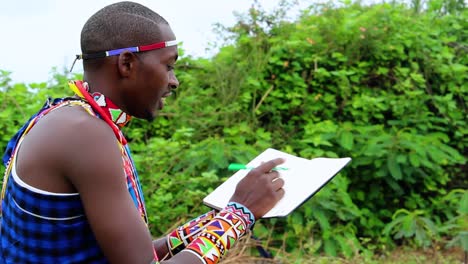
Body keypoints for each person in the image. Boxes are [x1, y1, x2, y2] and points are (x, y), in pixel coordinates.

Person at [0, 1, 285, 263]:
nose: (174, 82)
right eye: (168, 66)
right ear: (126, 64)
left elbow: (135, 252)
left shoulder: (68, 118)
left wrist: (218, 218)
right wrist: (240, 215)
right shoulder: (86, 135)